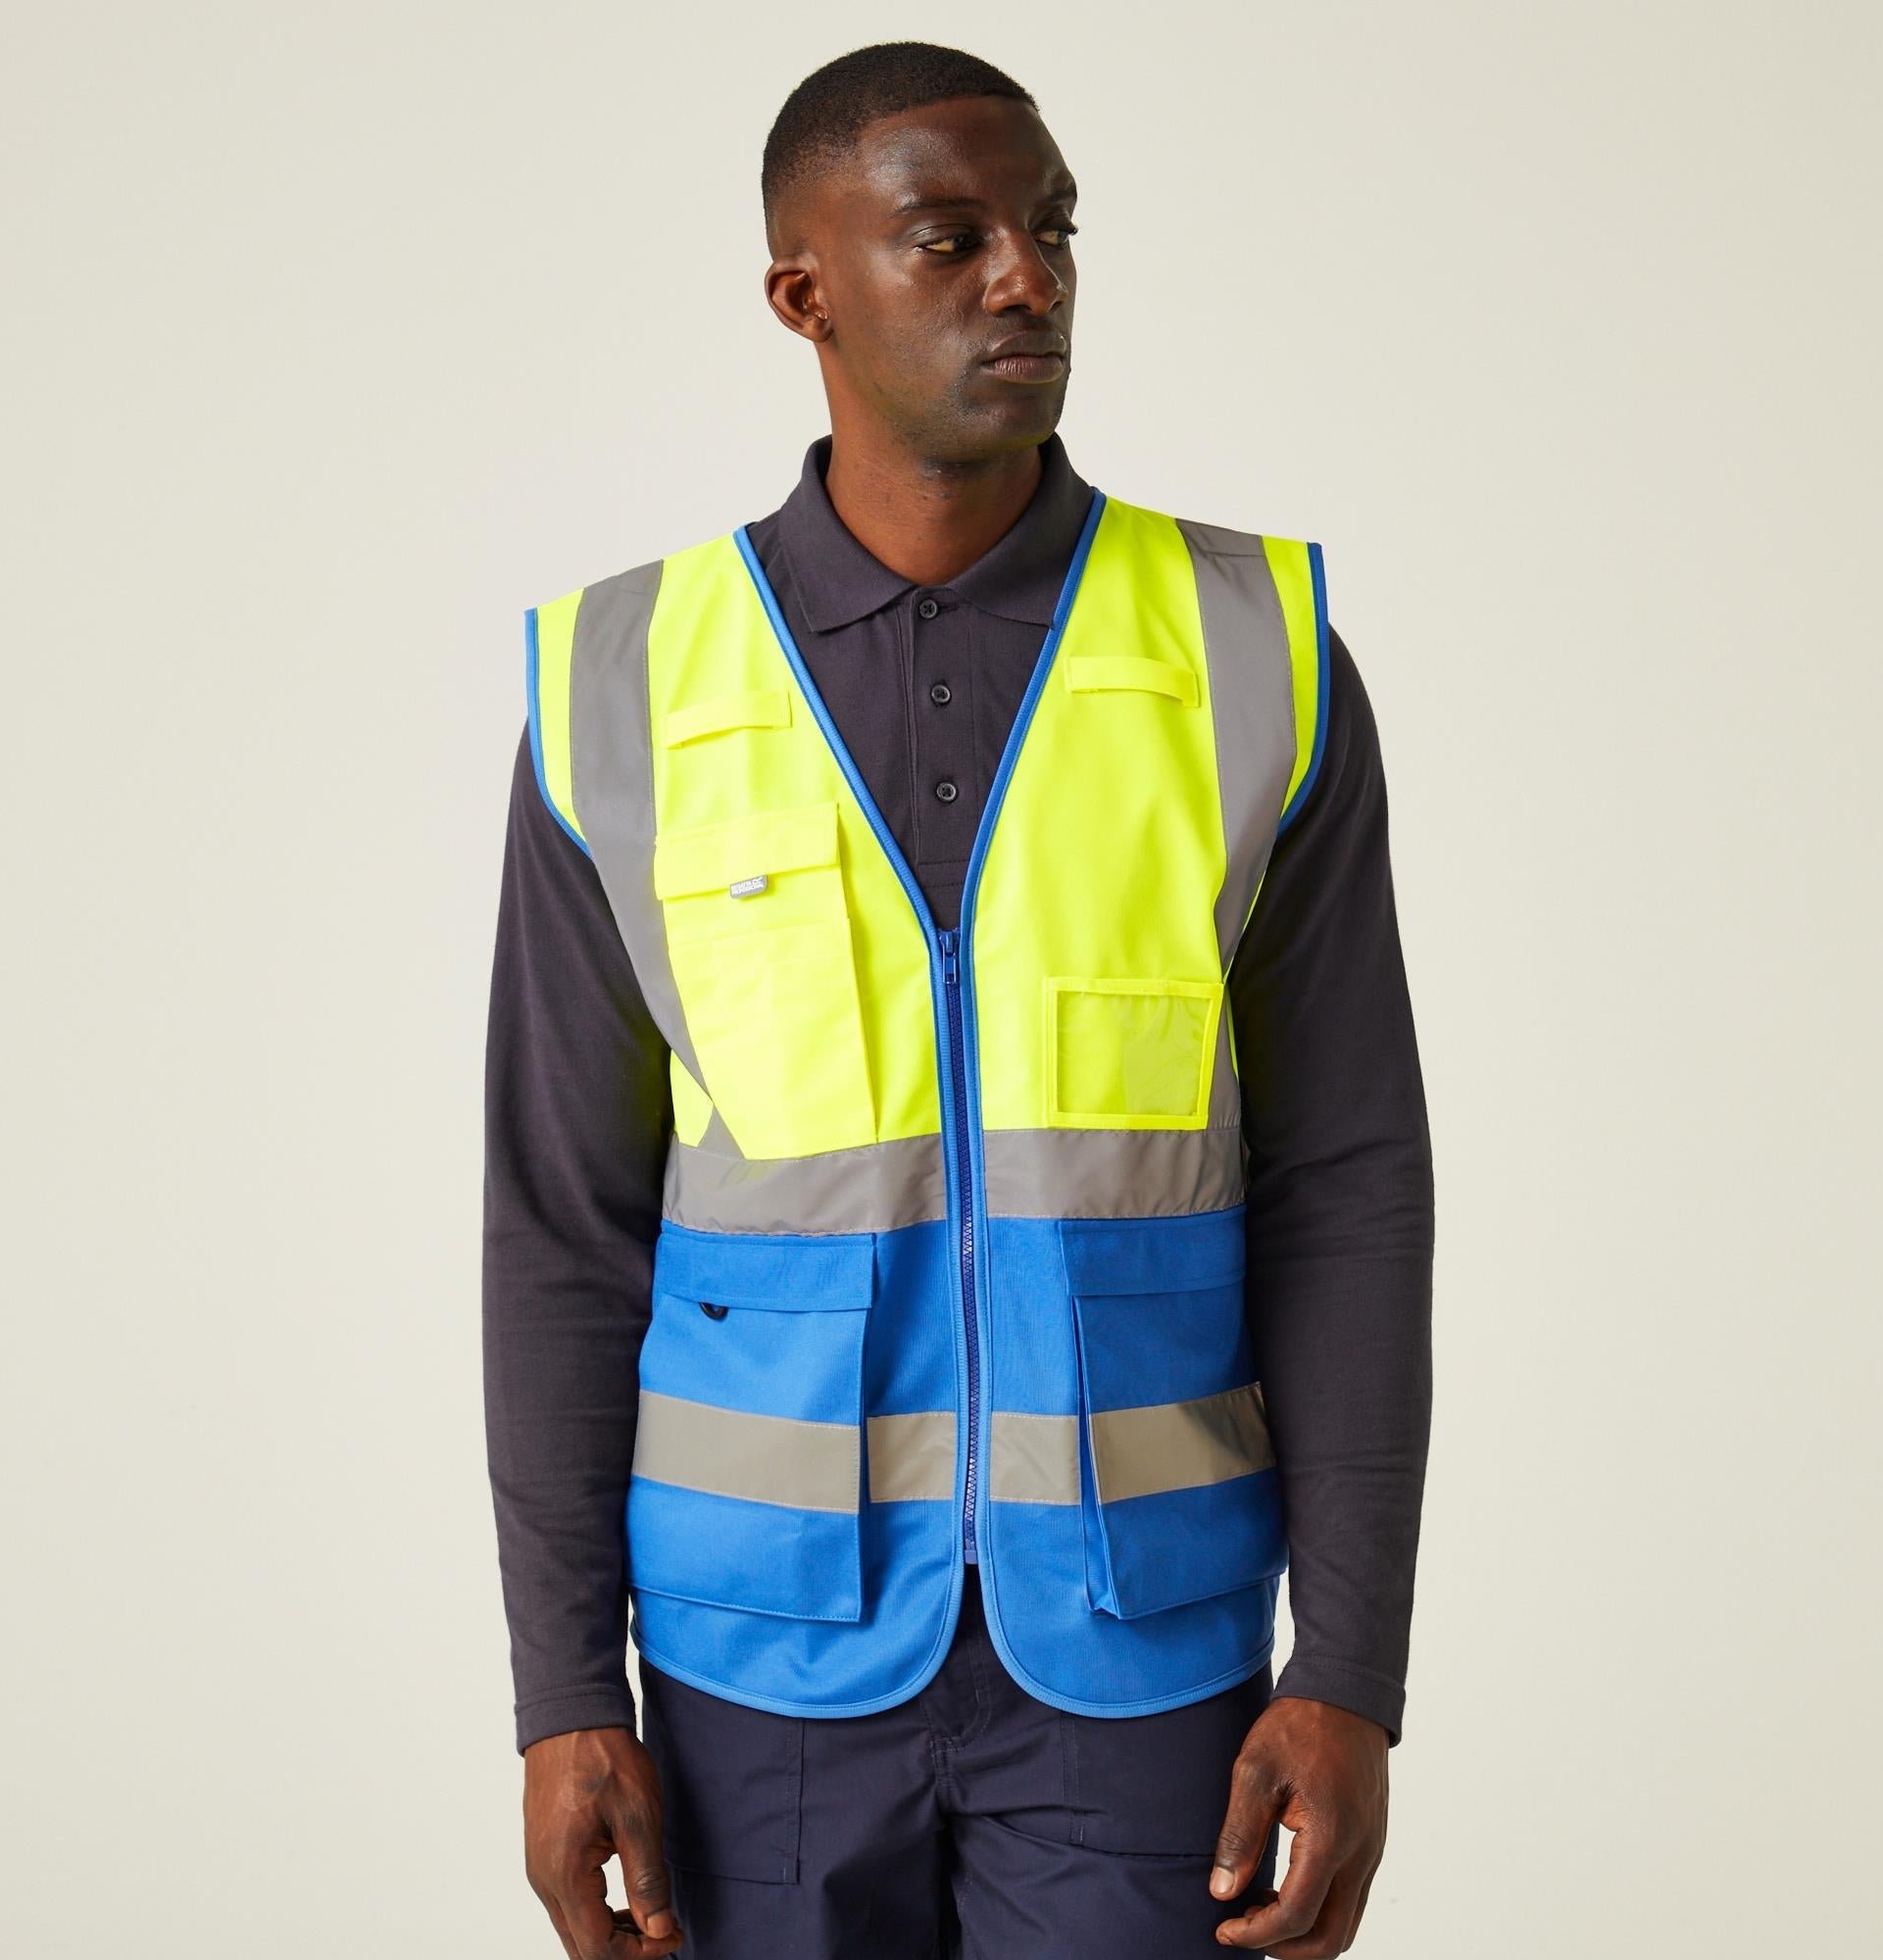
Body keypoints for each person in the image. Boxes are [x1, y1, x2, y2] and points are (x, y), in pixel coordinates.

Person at [482, 39, 1433, 1960]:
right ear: (804, 292)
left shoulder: (1249, 654)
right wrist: (563, 1689)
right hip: (757, 1673)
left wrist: (1351, 1663)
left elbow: (1349, 1184)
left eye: (1052, 230)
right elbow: (562, 1228)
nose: (1026, 277)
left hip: (1144, 1656)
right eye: (951, 236)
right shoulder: (622, 687)